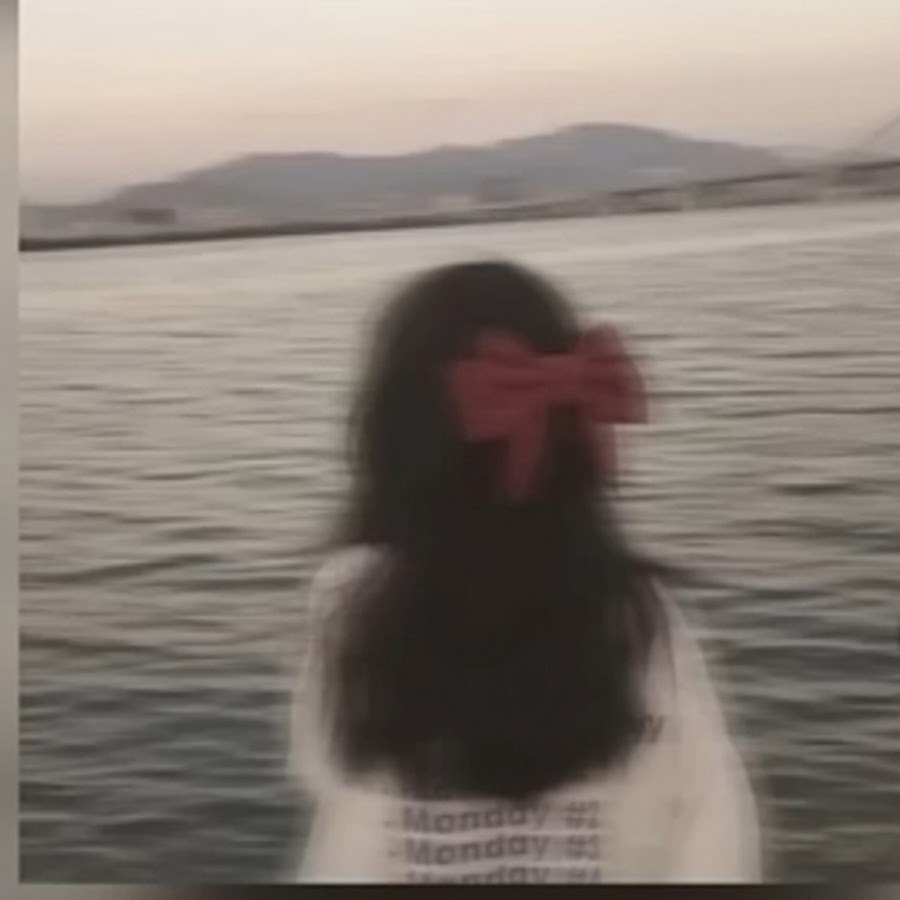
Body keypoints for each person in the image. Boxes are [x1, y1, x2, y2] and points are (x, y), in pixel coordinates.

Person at [289, 260, 761, 883]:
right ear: (579, 438)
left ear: (398, 437)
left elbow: (326, 771)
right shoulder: (642, 618)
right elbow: (715, 824)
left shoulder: (349, 602)